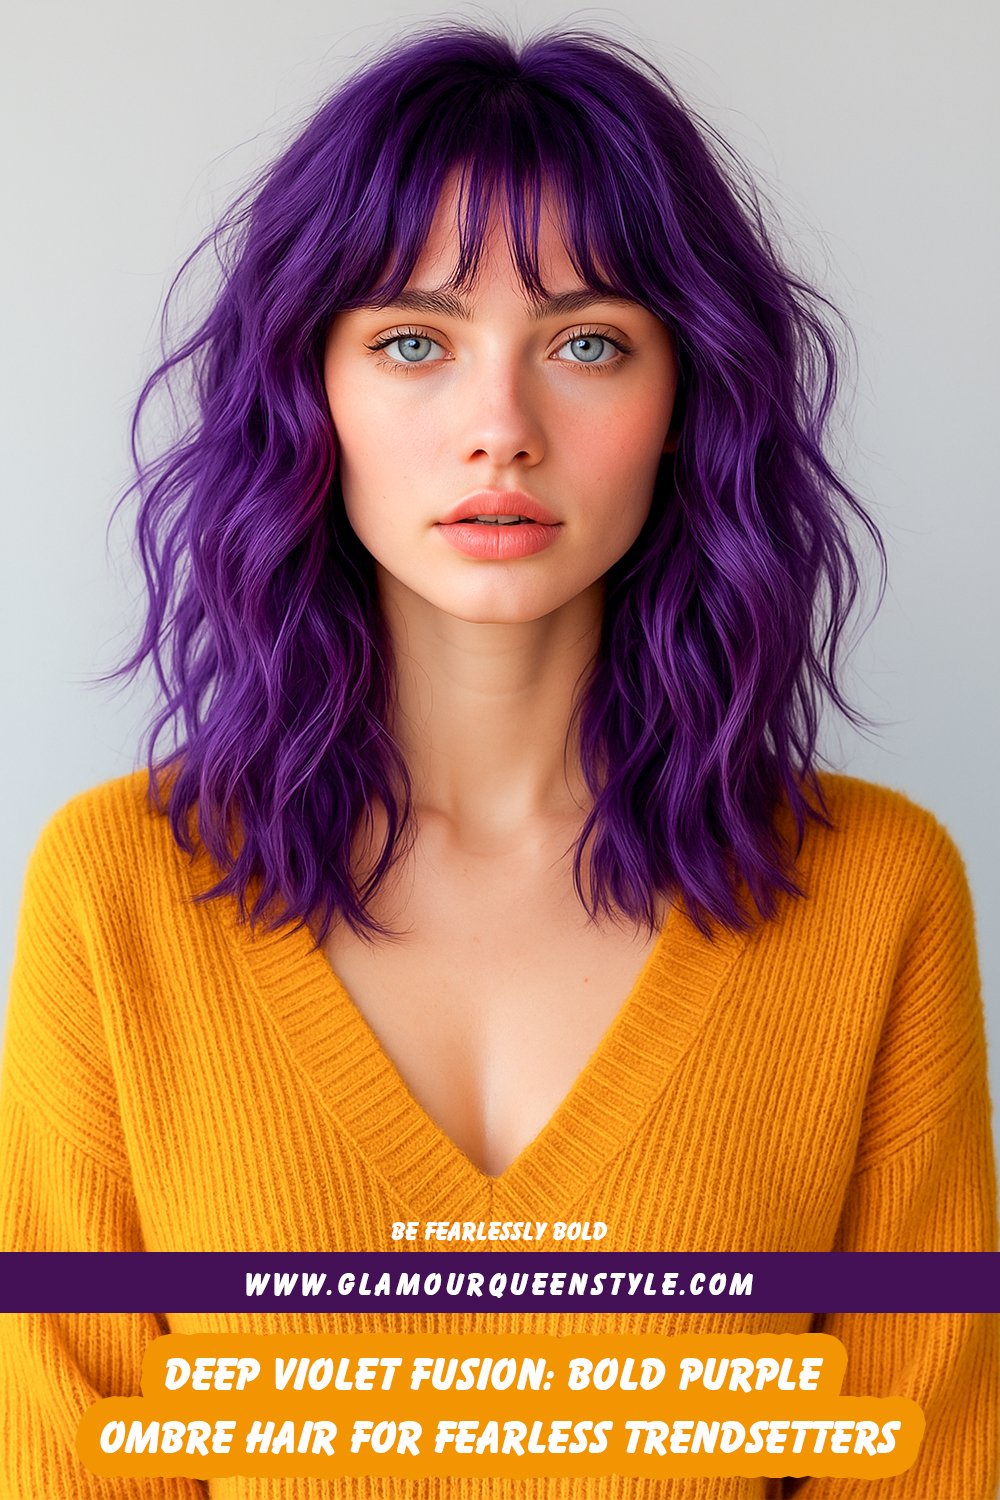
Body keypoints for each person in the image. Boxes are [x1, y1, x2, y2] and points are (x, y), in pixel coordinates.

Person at [1, 18, 995, 1499]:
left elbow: (924, 1460)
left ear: (683, 406)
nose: (500, 430)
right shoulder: (117, 891)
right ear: (311, 394)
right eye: (414, 341)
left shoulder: (875, 893)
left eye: (588, 344)